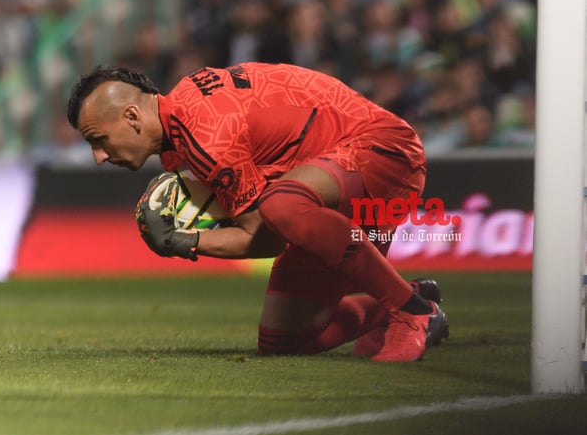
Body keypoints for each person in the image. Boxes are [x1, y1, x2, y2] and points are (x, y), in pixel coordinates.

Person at [66, 62, 449, 362]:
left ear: (132, 117)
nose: (99, 157)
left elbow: (266, 237)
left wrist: (183, 242)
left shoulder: (204, 134)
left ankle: (410, 311)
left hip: (382, 150)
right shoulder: (184, 123)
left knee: (281, 206)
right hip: (331, 179)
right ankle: (408, 298)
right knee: (284, 342)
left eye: (98, 140)